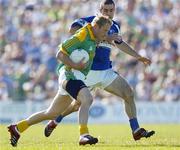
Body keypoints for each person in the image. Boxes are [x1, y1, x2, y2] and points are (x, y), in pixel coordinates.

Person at [44, 0, 155, 145]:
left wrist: (138, 56)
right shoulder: (89, 22)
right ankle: (56, 120)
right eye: (106, 10)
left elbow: (120, 44)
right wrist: (102, 37)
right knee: (77, 105)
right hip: (87, 72)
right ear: (100, 9)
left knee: (128, 93)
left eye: (111, 10)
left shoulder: (115, 26)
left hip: (105, 72)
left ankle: (136, 130)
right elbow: (73, 30)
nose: (108, 13)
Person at [7, 15, 112, 147]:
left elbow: (98, 39)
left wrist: (108, 38)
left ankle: (18, 128)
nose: (106, 33)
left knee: (52, 113)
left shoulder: (94, 36)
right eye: (105, 30)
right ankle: (83, 135)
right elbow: (60, 54)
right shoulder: (81, 36)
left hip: (76, 77)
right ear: (96, 27)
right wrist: (76, 65)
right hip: (69, 75)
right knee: (87, 99)